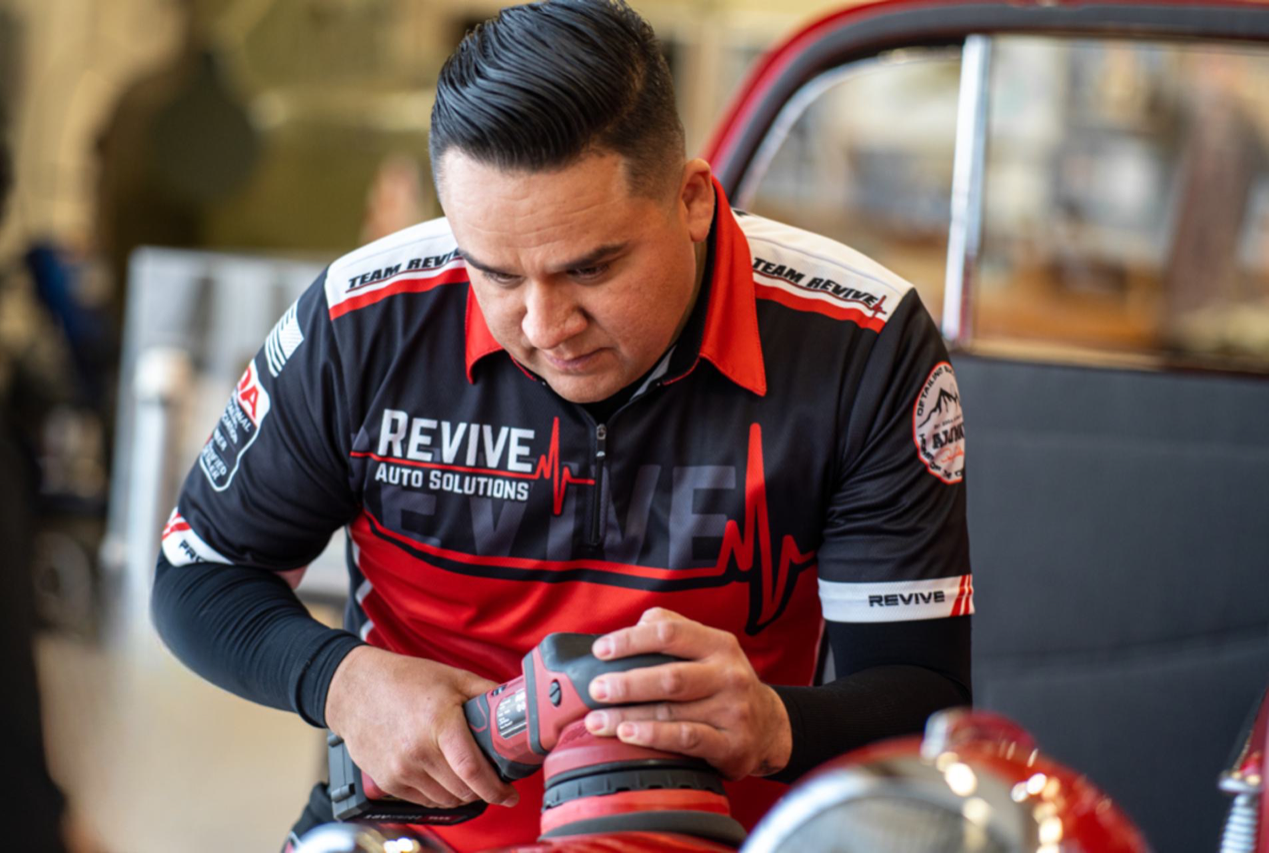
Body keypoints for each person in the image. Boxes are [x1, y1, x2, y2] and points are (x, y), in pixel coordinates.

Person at [151, 1, 973, 849]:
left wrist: (773, 723)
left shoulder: (860, 343)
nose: (545, 325)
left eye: (591, 267)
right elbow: (197, 575)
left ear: (692, 198)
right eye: (496, 273)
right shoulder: (363, 321)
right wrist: (341, 679)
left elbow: (923, 694)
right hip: (412, 834)